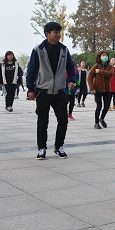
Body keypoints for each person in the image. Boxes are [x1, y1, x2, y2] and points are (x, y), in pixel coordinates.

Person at [26, 21, 76, 159]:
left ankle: (59, 146)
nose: (58, 35)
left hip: (59, 92)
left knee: (63, 120)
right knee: (42, 122)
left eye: (59, 32)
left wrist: (71, 80)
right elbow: (31, 70)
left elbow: (71, 67)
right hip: (43, 92)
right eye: (55, 32)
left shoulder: (64, 50)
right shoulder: (38, 50)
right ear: (47, 34)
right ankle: (41, 148)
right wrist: (30, 88)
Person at [88, 50, 114, 129]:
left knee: (107, 106)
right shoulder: (96, 66)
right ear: (99, 57)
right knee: (99, 106)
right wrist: (92, 88)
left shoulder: (109, 66)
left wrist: (100, 71)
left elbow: (110, 74)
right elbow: (89, 77)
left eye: (106, 56)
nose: (105, 57)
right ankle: (96, 123)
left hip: (106, 89)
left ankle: (101, 118)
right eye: (103, 55)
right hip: (97, 89)